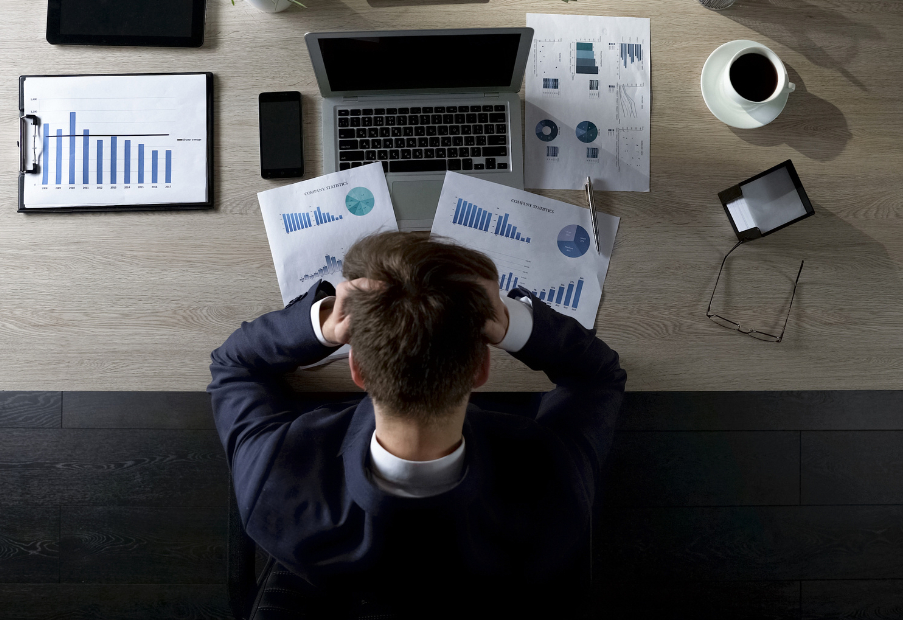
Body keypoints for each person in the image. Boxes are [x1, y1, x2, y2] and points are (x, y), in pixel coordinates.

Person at [208, 231, 626, 618]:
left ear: (358, 369)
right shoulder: (556, 484)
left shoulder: (274, 476)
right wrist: (511, 323)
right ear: (481, 368)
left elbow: (234, 363)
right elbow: (598, 375)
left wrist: (323, 322)